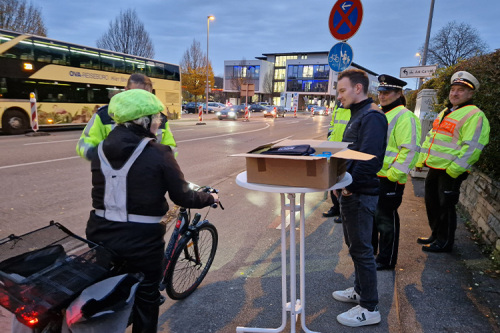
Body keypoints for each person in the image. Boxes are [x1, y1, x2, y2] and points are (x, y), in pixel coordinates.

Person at [85, 89, 218, 333]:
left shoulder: (101, 148)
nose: (159, 123)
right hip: (141, 241)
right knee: (147, 296)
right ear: (143, 121)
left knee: (107, 289)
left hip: (99, 232)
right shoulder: (158, 152)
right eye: (156, 118)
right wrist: (209, 197)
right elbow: (182, 196)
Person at [331, 69, 387, 327]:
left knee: (363, 250)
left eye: (342, 90)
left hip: (360, 193)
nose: (338, 96)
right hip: (352, 191)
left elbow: (370, 160)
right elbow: (351, 154)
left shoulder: (372, 117)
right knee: (355, 246)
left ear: (357, 88)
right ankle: (360, 290)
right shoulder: (358, 114)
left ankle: (370, 307)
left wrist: (349, 186)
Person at [415, 71, 490, 252]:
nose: (455, 93)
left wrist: (455, 169)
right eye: (453, 89)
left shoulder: (475, 115)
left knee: (445, 206)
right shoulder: (446, 112)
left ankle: (445, 242)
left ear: (470, 94)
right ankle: (435, 234)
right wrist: (421, 160)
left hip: (450, 170)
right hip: (435, 167)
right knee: (432, 202)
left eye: (461, 90)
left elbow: (472, 146)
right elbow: (431, 137)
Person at [372, 74, 421, 270]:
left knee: (386, 220)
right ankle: (374, 254)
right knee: (375, 219)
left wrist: (393, 175)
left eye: (387, 92)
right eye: (381, 92)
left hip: (389, 178)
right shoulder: (382, 113)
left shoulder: (404, 116)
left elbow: (409, 150)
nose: (382, 96)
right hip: (375, 176)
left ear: (399, 93)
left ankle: (386, 259)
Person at [76, 73, 177, 161]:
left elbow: (171, 147)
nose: (140, 100)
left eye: (145, 96)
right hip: (113, 176)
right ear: (126, 90)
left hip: (147, 176)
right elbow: (85, 144)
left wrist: (156, 160)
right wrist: (104, 159)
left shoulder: (160, 118)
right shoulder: (104, 115)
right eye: (134, 95)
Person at [323, 101, 351, 223]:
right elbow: (332, 125)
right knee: (333, 181)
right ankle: (335, 208)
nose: (340, 95)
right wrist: (330, 140)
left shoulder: (355, 107)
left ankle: (343, 211)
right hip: (334, 149)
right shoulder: (338, 107)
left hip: (348, 149)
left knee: (344, 183)